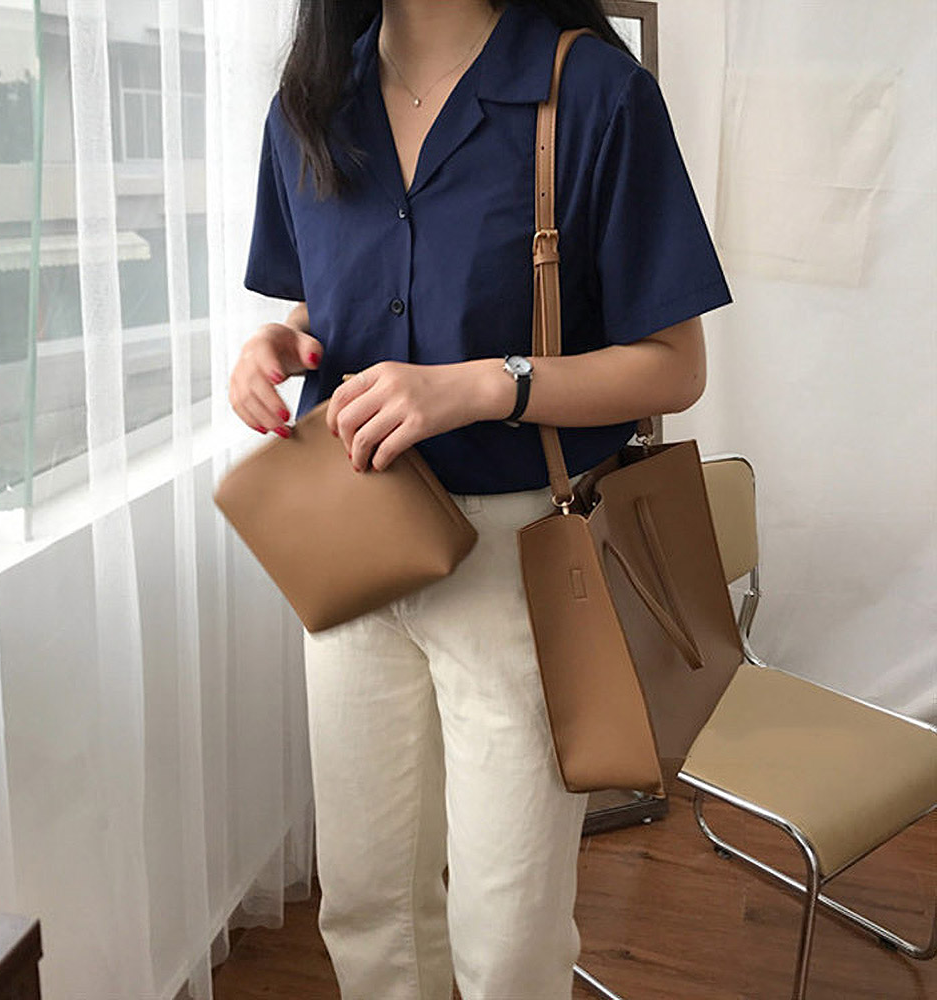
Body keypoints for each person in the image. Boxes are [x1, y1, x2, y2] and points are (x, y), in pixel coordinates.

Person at [230, 1, 732, 997]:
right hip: (352, 539)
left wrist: (482, 385)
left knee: (509, 934)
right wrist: (275, 343)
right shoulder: (310, 103)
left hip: (521, 560)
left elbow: (675, 367)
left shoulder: (591, 93)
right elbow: (327, 296)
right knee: (366, 907)